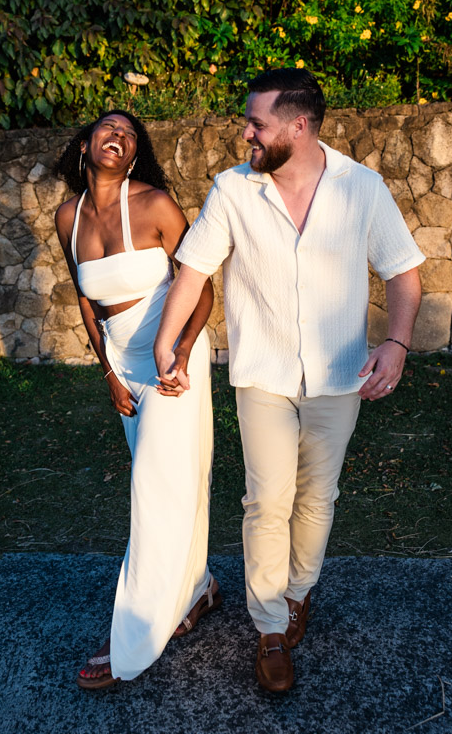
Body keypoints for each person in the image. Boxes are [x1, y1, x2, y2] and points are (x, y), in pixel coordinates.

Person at [154, 68, 424, 693]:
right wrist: (169, 345)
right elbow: (193, 271)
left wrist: (397, 344)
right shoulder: (232, 190)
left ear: (298, 126)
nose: (245, 132)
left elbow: (404, 273)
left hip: (340, 374)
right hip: (263, 375)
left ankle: (299, 593)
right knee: (266, 499)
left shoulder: (362, 188)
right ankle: (270, 626)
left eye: (257, 122)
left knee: (318, 497)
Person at [54, 110, 220, 691]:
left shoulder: (155, 206)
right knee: (175, 481)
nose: (118, 137)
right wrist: (108, 374)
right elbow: (85, 301)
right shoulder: (68, 218)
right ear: (84, 144)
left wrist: (181, 349)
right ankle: (198, 588)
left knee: (154, 486)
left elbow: (201, 286)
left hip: (172, 356)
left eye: (129, 134)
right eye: (108, 128)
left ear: (133, 153)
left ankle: (132, 630)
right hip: (123, 364)